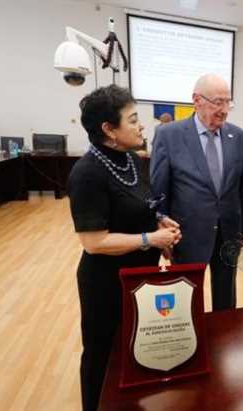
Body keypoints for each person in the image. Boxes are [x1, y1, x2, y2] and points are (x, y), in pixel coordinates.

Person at [67, 85, 182, 411]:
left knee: (135, 347)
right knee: (102, 355)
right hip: (105, 283)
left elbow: (140, 205)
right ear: (109, 129)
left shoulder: (131, 160)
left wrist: (160, 221)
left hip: (139, 276)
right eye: (132, 120)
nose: (141, 125)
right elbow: (93, 242)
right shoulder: (87, 173)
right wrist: (150, 240)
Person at [150, 73, 243, 311]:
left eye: (228, 102)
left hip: (228, 233)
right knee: (185, 299)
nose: (224, 110)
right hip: (186, 235)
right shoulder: (169, 135)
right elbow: (159, 189)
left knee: (226, 298)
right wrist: (160, 226)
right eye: (218, 102)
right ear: (196, 100)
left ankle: (224, 331)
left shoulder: (238, 137)